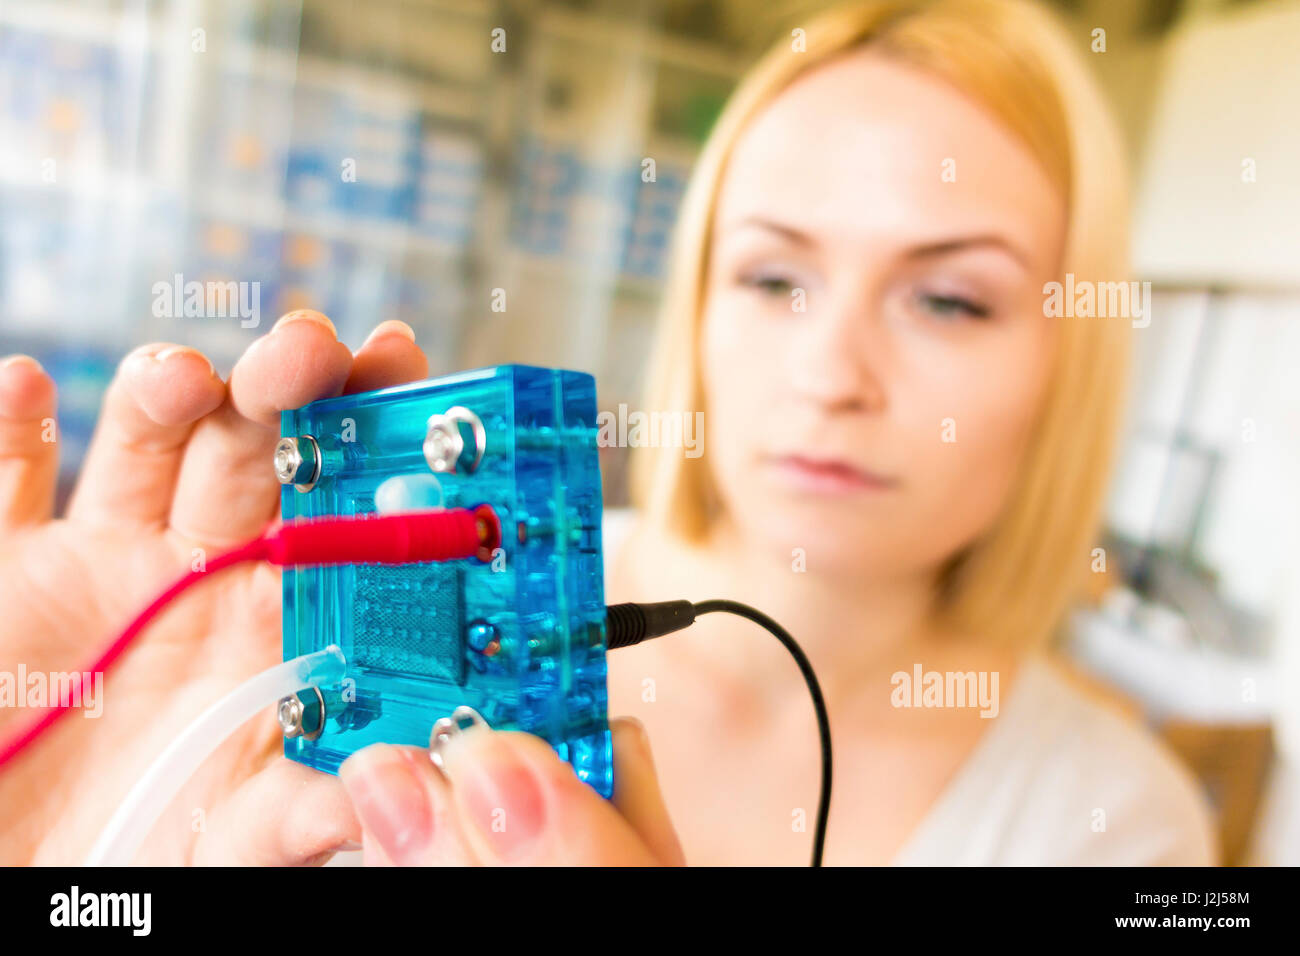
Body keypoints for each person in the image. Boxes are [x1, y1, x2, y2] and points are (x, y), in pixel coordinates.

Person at [0, 0, 1215, 865]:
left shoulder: (1119, 821)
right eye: (773, 278)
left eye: (947, 297)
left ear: (1072, 353)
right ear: (693, 307)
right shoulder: (291, 656)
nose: (831, 372)